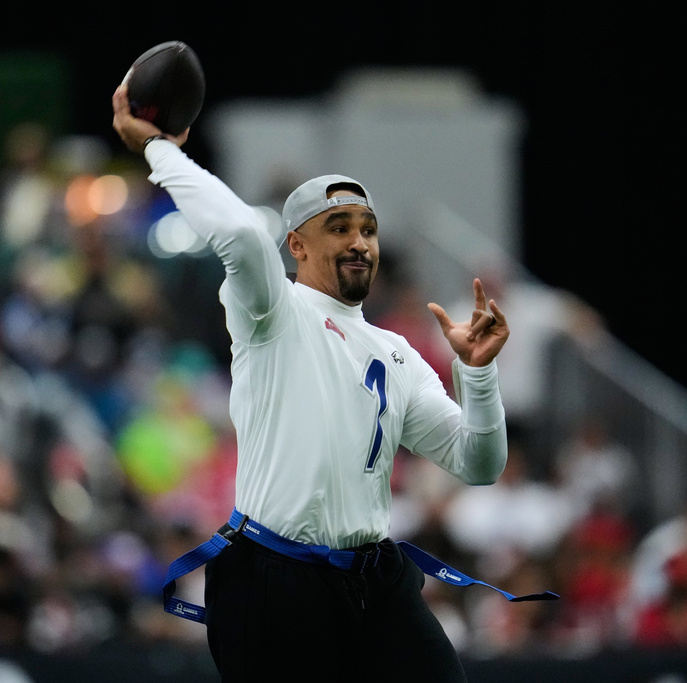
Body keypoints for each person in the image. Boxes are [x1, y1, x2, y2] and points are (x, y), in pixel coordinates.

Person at [111, 83, 513, 682]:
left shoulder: (395, 352)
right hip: (275, 575)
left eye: (369, 228)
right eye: (339, 226)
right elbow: (244, 238)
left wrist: (477, 376)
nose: (359, 241)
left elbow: (478, 463)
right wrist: (160, 150)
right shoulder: (274, 312)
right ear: (296, 244)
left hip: (372, 576)